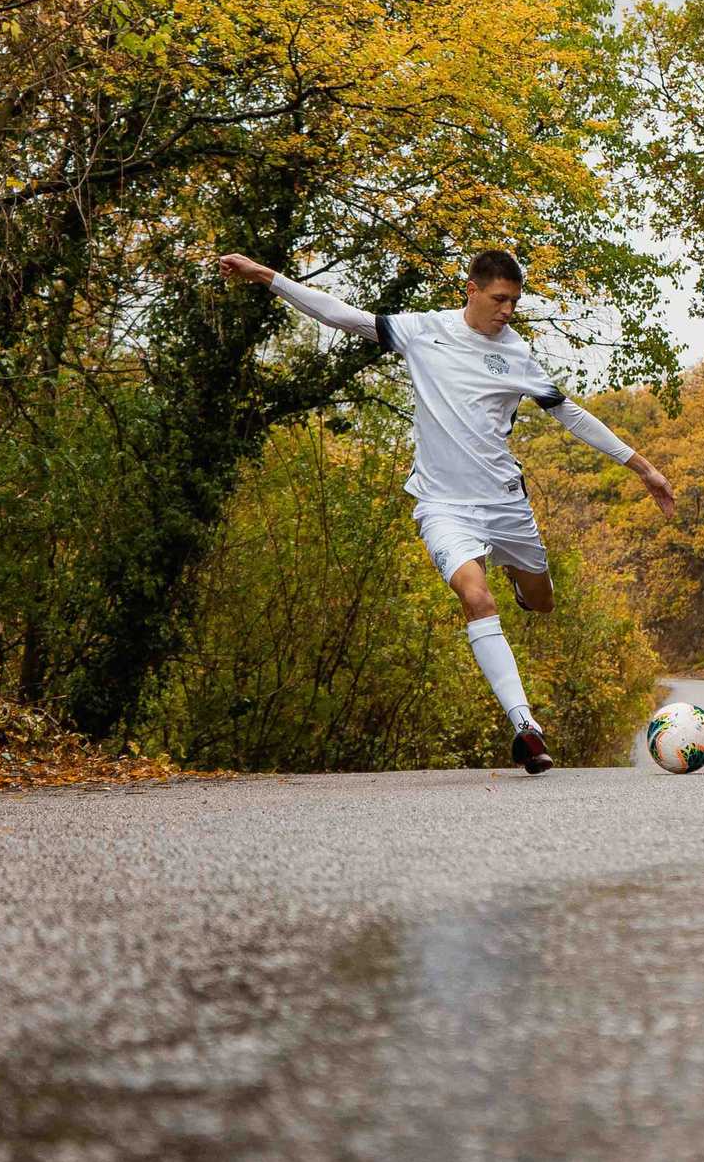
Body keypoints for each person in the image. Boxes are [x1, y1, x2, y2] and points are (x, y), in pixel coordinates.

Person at [215, 247, 677, 774]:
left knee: (542, 601)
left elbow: (569, 414)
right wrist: (264, 275)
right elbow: (338, 312)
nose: (506, 311)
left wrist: (642, 466)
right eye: (499, 300)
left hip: (505, 504)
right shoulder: (421, 331)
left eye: (514, 303)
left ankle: (523, 590)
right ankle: (525, 726)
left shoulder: (517, 353)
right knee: (476, 597)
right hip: (442, 505)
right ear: (472, 290)